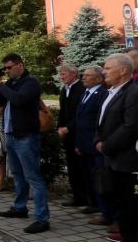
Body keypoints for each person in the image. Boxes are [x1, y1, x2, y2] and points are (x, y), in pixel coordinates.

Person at [0, 53, 50, 234]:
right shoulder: (10, 83)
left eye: (9, 67)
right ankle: (20, 207)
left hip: (26, 136)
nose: (6, 71)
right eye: (5, 68)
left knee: (33, 177)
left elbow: (19, 100)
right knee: (17, 174)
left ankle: (42, 218)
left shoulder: (31, 82)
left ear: (20, 65)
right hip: (11, 135)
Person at [94, 53, 138, 242]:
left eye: (108, 68)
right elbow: (102, 123)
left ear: (123, 71)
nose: (104, 71)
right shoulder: (111, 91)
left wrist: (106, 146)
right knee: (120, 204)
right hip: (112, 159)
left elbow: (130, 127)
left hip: (127, 161)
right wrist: (97, 140)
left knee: (131, 207)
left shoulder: (133, 93)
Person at [73, 66, 110, 222]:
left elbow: (99, 121)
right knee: (89, 177)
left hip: (95, 146)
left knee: (100, 179)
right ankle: (96, 205)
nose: (83, 77)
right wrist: (78, 143)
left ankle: (106, 212)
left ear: (98, 79)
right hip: (84, 144)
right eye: (84, 75)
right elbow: (80, 120)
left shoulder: (101, 93)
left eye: (88, 75)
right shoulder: (85, 93)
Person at [57, 64, 85, 207]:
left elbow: (79, 113)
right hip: (67, 133)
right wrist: (60, 127)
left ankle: (86, 197)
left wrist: (68, 128)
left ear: (74, 74)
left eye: (64, 74)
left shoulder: (80, 89)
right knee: (72, 166)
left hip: (77, 133)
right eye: (61, 74)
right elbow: (62, 111)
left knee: (80, 166)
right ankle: (77, 196)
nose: (62, 77)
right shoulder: (64, 89)